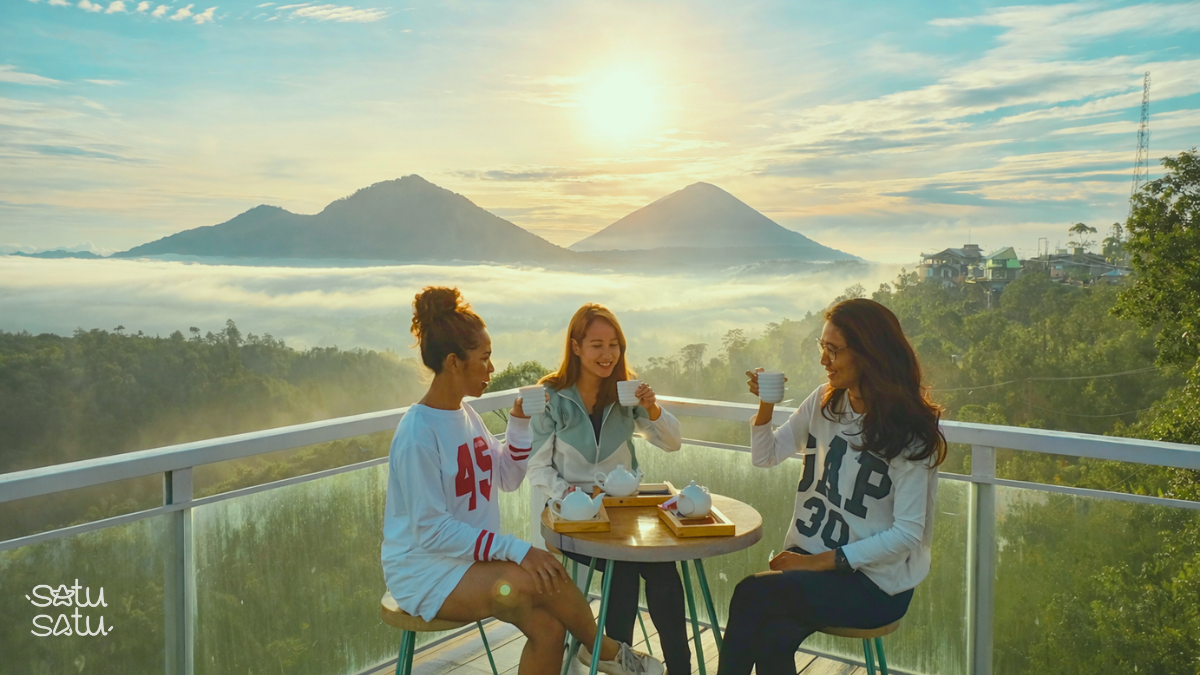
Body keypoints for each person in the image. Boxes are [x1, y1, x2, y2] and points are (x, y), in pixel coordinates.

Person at [382, 287, 664, 675]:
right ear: (453, 362)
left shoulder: (465, 416)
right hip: (426, 572)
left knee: (549, 629)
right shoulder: (418, 434)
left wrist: (518, 422)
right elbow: (430, 530)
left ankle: (602, 650)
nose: (492, 369)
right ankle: (607, 651)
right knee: (545, 573)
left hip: (470, 562)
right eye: (484, 359)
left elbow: (509, 477)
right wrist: (516, 550)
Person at [717, 298, 946, 675]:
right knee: (772, 637)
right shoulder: (825, 401)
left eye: (833, 350)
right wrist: (765, 406)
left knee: (750, 594)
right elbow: (766, 456)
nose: (824, 360)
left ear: (869, 354)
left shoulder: (910, 433)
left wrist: (814, 564)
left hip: (876, 584)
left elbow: (907, 533)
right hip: (817, 561)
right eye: (822, 348)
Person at [528, 303, 689, 675]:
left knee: (663, 569)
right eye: (597, 344)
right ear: (576, 347)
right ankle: (615, 658)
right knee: (626, 564)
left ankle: (679, 668)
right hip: (571, 518)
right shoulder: (552, 396)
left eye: (614, 344)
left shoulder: (626, 393)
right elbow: (536, 467)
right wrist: (573, 496)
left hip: (622, 515)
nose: (608, 354)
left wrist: (652, 408)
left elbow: (672, 442)